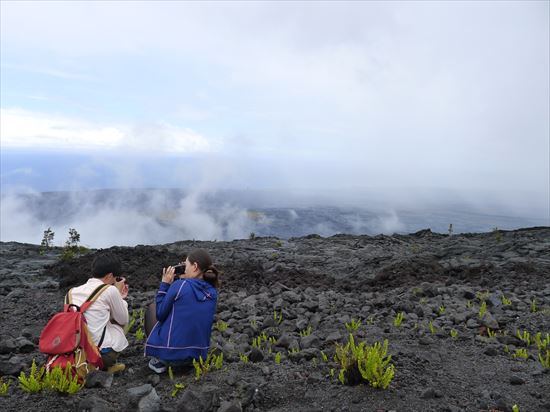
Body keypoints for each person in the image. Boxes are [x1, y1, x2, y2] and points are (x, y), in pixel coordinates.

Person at [145, 248, 220, 373]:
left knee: (153, 309)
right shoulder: (212, 292)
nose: (184, 268)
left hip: (171, 357)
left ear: (195, 266)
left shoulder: (179, 286)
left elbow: (160, 314)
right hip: (198, 356)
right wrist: (184, 279)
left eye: (186, 265)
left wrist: (164, 284)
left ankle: (159, 359)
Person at [69, 251, 129, 373]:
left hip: (72, 352)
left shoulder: (72, 292)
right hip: (97, 355)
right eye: (115, 278)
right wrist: (119, 297)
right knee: (119, 322)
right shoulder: (110, 290)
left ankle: (83, 364)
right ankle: (103, 365)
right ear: (109, 276)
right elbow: (123, 319)